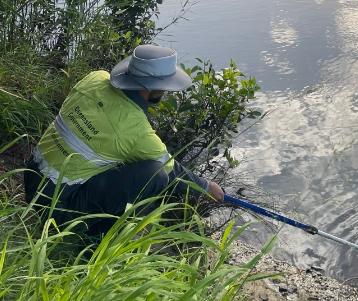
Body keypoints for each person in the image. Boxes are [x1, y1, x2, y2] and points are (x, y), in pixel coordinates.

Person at [24, 44, 224, 235]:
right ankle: (93, 238)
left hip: (32, 176)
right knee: (157, 175)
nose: (165, 91)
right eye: (164, 85)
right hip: (57, 208)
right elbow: (174, 171)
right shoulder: (136, 129)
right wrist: (206, 187)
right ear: (152, 86)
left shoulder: (94, 78)